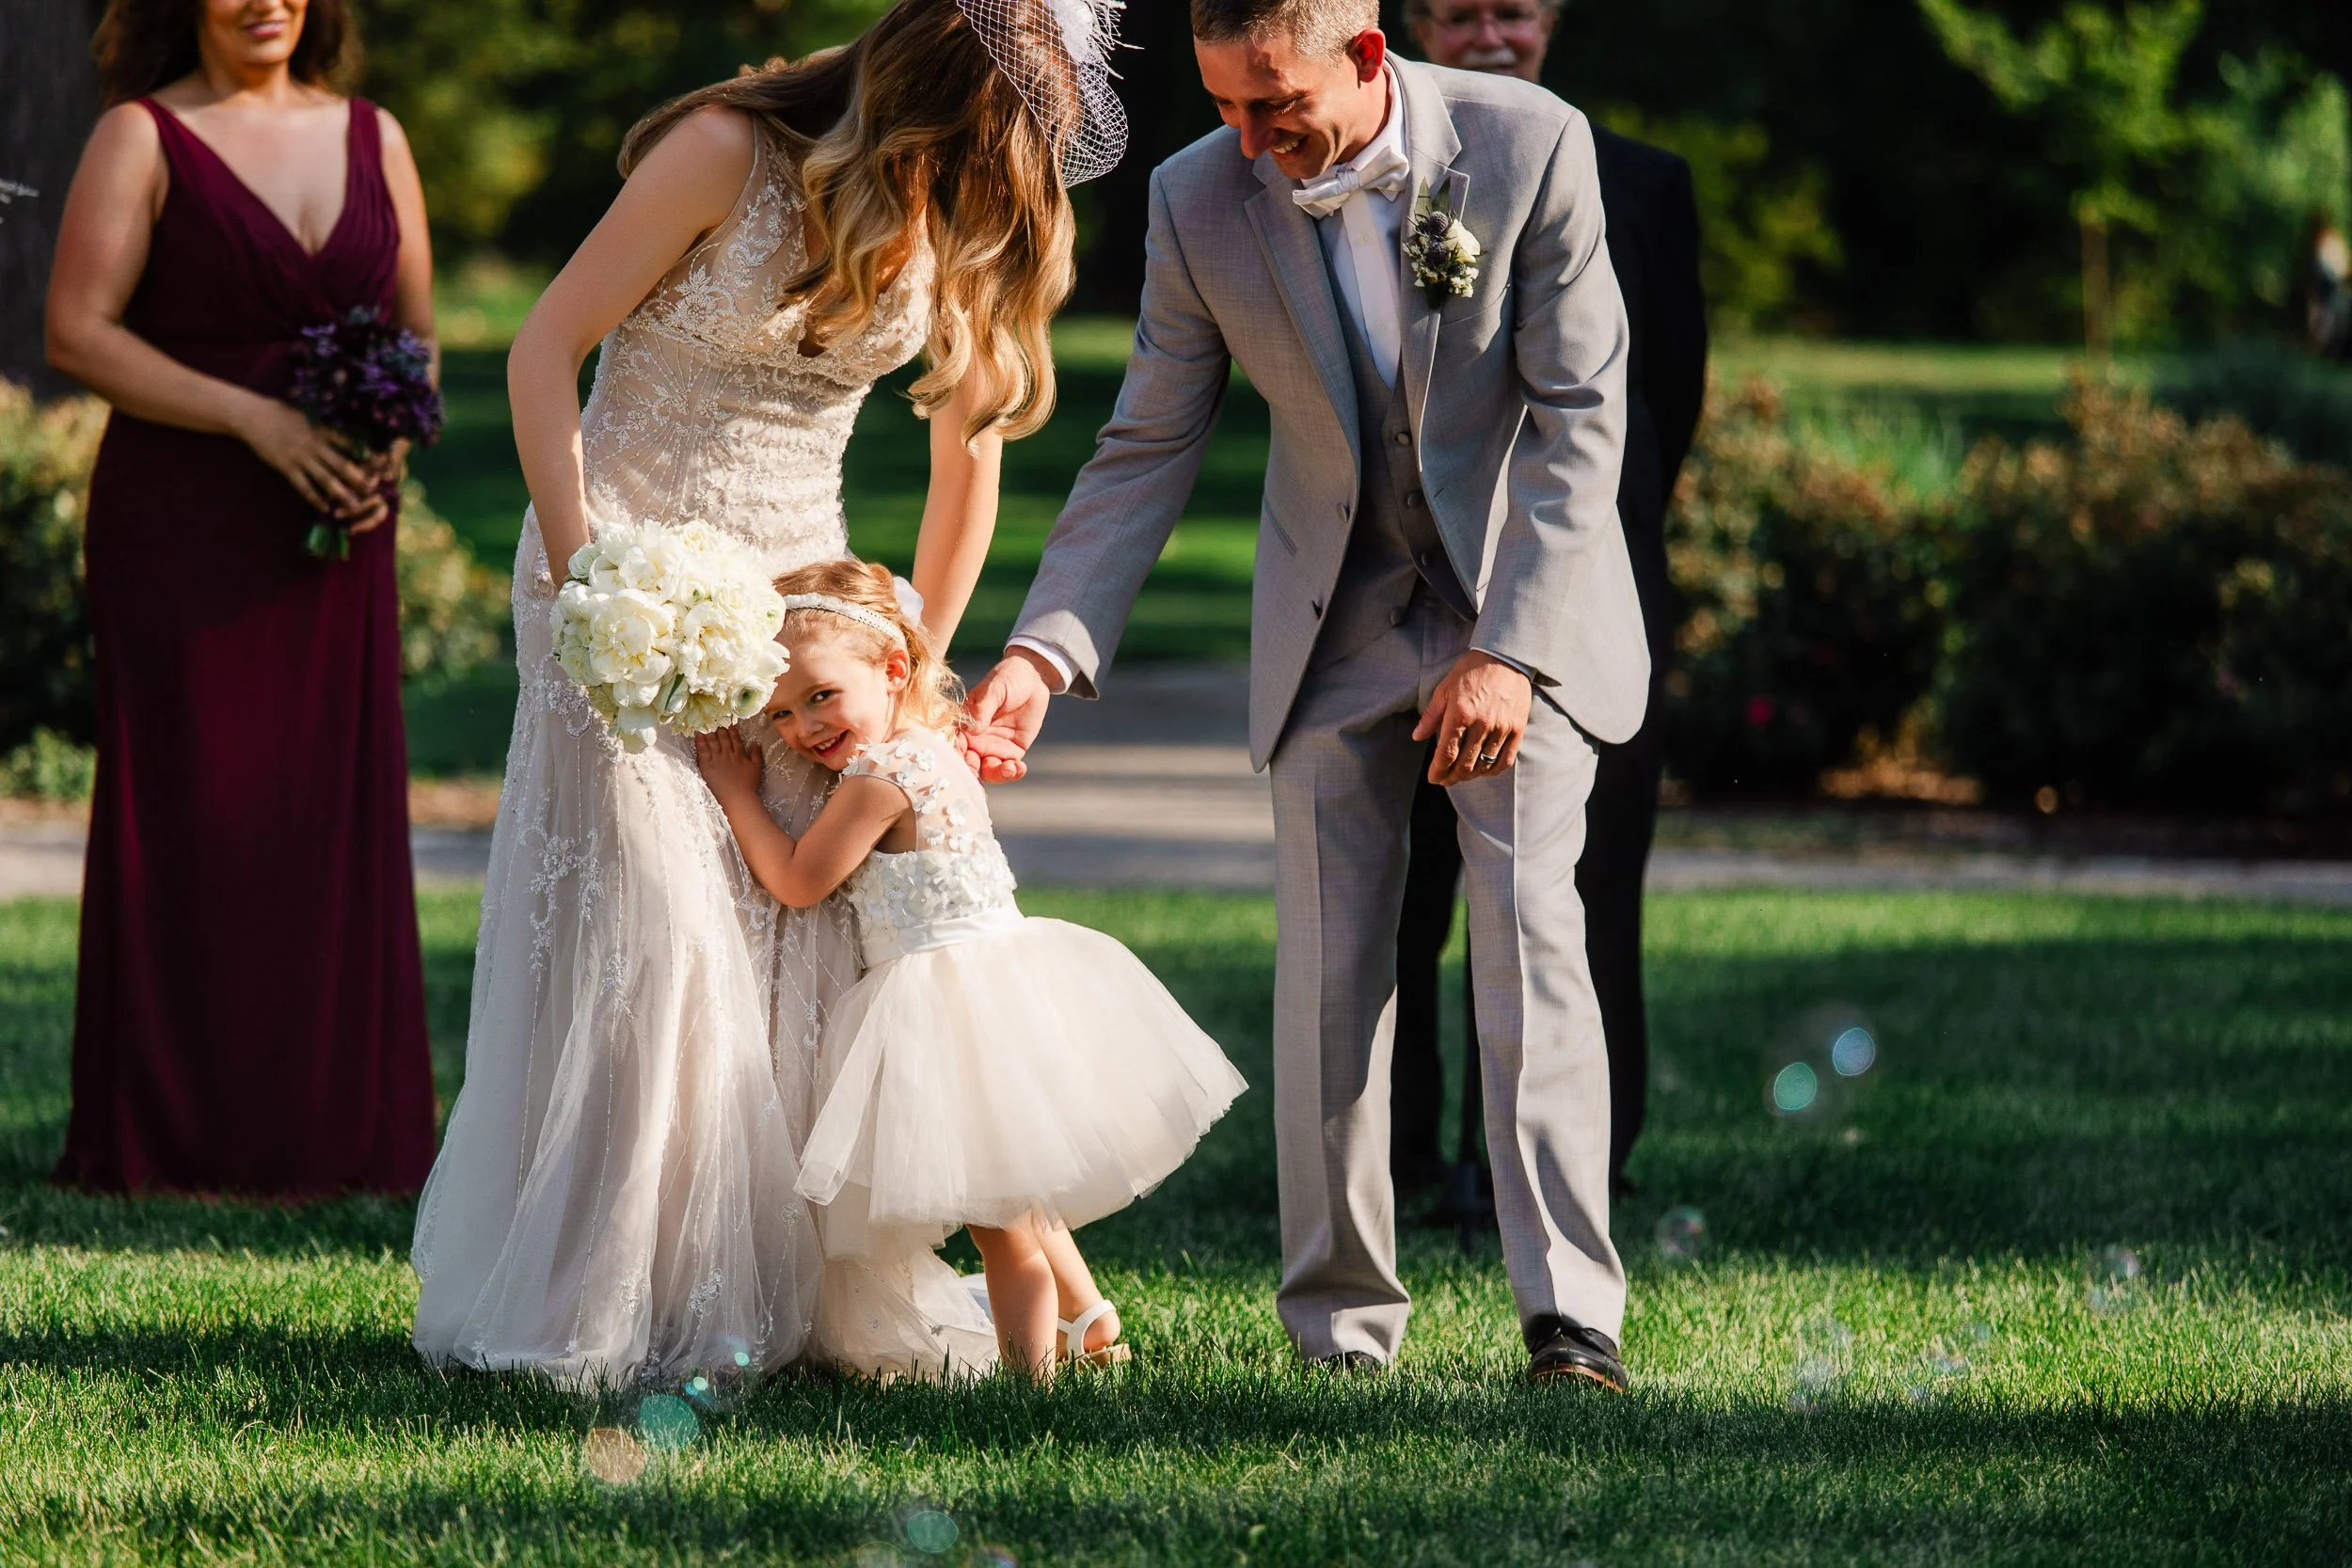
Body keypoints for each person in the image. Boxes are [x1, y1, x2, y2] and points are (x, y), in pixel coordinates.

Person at [407, 0, 1127, 1388]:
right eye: (966, 146)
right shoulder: (721, 152)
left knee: (786, 941)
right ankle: (605, 1297)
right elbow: (543, 350)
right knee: (659, 922)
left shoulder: (953, 203)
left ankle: (772, 1297)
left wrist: (905, 656)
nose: (980, 180)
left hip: (806, 613)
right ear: (910, 96)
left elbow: (968, 453)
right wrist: (589, 582)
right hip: (619, 554)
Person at [965, 0, 1647, 1390]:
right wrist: (1044, 648)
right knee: (1330, 979)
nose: (1253, 140)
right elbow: (1146, 440)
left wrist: (1510, 651)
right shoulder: (1196, 196)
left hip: (1519, 599)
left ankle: (1571, 1320)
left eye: (1276, 106)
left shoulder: (1531, 145)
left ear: (1369, 58)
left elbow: (1583, 420)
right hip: (1334, 609)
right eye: (1225, 107)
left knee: (1530, 950)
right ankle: (1340, 1327)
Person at [43, 0, 437, 1196]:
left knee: (328, 809)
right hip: (185, 524)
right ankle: (176, 1136)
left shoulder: (379, 134)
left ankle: (336, 1132)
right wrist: (254, 416)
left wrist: (384, 455)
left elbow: (417, 337)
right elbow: (75, 332)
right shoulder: (142, 136)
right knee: (193, 808)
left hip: (337, 529)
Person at [692, 560, 1246, 1381]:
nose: (803, 727)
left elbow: (801, 880)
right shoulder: (930, 744)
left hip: (947, 1002)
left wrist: (736, 791)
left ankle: (1031, 1386)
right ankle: (1093, 1322)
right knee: (1023, 1188)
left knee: (1002, 1223)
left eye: (819, 695)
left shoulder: (881, 777)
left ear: (891, 669)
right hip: (1002, 985)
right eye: (780, 712)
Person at [1396, 0, 1707, 1210]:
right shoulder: (1366, 183)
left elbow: (1661, 407)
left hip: (1590, 594)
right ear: (1415, 24)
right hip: (1411, 597)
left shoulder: (1643, 184)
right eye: (1459, 14)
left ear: (1551, 22)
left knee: (1583, 892)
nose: (1487, 35)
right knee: (1406, 896)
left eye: (1511, 12)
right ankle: (1404, 1154)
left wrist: (1577, 561)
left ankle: (1581, 1160)